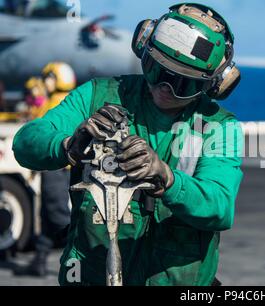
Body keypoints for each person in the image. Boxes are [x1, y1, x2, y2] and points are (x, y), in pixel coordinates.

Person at [13, 3, 243, 286]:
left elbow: (219, 207)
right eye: (156, 71)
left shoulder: (218, 126)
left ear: (212, 84)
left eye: (181, 84)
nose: (163, 88)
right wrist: (68, 145)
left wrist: (168, 180)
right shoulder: (98, 95)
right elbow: (26, 142)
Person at [14, 62, 76, 276]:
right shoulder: (70, 101)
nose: (44, 82)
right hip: (64, 168)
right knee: (48, 217)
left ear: (55, 79)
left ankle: (82, 254)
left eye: (48, 78)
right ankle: (39, 261)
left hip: (56, 169)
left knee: (57, 214)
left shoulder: (54, 105)